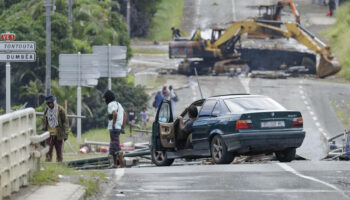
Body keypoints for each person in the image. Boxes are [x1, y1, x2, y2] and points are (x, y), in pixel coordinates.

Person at [41, 95, 69, 162]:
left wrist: (66, 134)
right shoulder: (47, 111)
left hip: (58, 134)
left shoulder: (60, 110)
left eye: (51, 103)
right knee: (48, 151)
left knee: (59, 151)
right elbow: (44, 122)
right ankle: (48, 163)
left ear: (54, 102)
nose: (50, 104)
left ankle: (59, 164)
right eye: (48, 103)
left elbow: (65, 122)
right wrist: (42, 132)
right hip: (49, 135)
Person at [103, 90, 125, 168]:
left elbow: (114, 113)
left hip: (114, 128)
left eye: (104, 98)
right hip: (118, 128)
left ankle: (122, 164)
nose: (104, 100)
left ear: (107, 98)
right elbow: (124, 115)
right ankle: (115, 164)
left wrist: (113, 124)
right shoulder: (119, 104)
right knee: (113, 146)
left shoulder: (111, 104)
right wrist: (122, 126)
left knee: (116, 145)